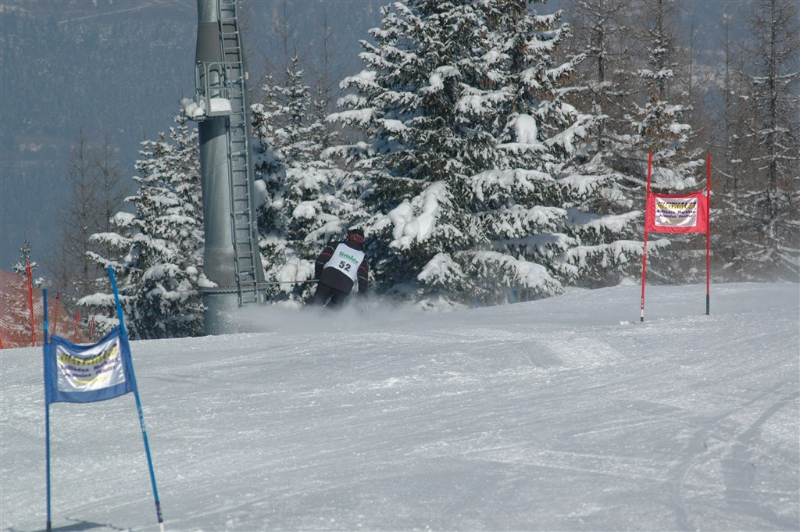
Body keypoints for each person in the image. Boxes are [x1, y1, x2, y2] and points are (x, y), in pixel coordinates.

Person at [311, 228, 369, 308]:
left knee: (315, 304)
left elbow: (320, 261)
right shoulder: (362, 257)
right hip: (345, 285)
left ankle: (306, 315)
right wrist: (362, 294)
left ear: (348, 237)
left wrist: (318, 276)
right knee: (332, 311)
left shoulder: (337, 246)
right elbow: (363, 278)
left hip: (327, 278)